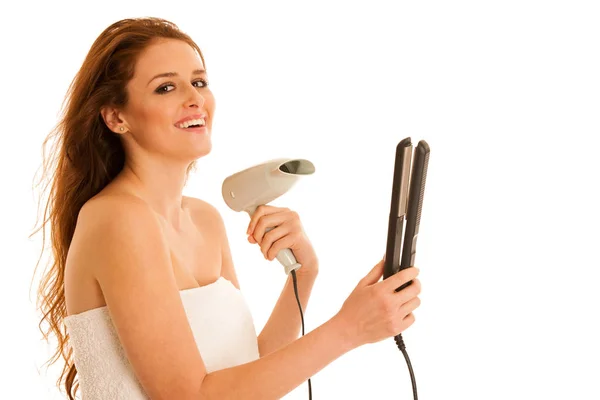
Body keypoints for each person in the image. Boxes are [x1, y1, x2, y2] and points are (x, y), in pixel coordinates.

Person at [31, 17, 422, 400]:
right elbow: (189, 396)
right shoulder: (116, 218)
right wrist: (348, 329)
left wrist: (303, 277)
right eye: (166, 87)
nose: (194, 98)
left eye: (198, 82)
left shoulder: (205, 219)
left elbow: (247, 375)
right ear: (117, 117)